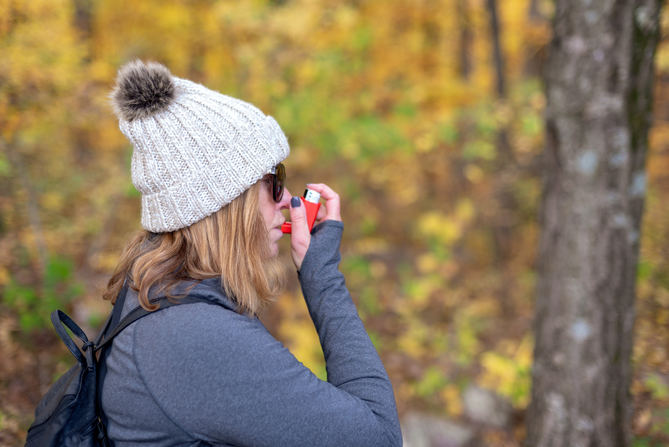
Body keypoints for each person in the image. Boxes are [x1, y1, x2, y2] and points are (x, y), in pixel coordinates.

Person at [99, 60, 402, 446]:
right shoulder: (195, 340)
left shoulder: (163, 299)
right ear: (229, 202)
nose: (287, 200)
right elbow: (378, 438)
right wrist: (322, 276)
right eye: (275, 182)